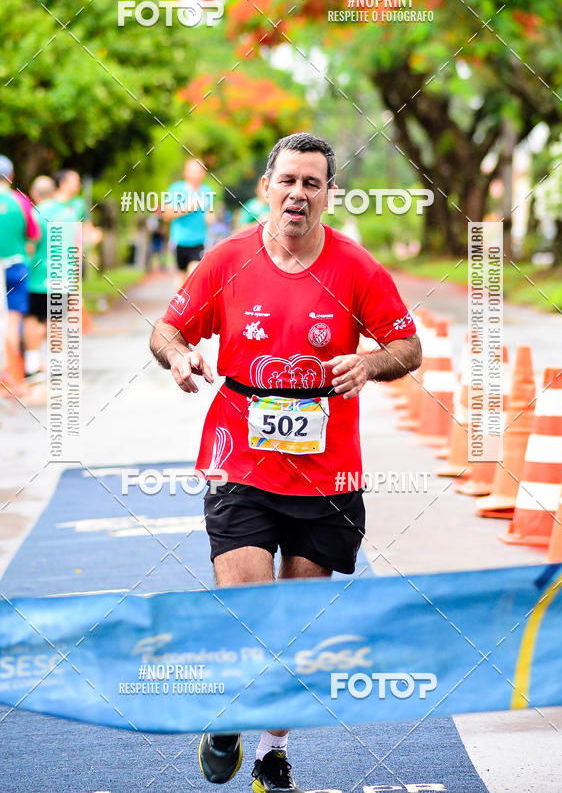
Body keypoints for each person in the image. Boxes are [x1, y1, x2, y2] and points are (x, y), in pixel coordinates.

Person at [149, 132, 421, 793]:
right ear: (266, 187)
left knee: (296, 626)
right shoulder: (228, 259)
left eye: (313, 182)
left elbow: (407, 346)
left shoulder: (356, 267)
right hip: (240, 460)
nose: (299, 193)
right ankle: (231, 711)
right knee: (247, 611)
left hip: (327, 476)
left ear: (329, 194)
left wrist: (369, 360)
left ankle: (272, 752)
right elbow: (166, 329)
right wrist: (180, 357)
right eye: (288, 180)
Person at [0, 154, 40, 363]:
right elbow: (34, 235)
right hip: (15, 267)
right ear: (10, 177)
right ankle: (11, 377)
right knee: (12, 323)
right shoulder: (20, 201)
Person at [23, 175, 74, 379]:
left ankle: (32, 363)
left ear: (34, 194)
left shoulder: (34, 214)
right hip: (62, 277)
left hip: (38, 278)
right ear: (54, 192)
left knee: (33, 319)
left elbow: (30, 246)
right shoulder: (68, 215)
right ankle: (57, 363)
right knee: (55, 320)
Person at [163, 158, 215, 283]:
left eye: (199, 171)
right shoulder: (175, 189)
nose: (196, 174)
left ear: (203, 173)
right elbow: (166, 214)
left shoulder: (207, 191)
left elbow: (209, 214)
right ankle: (181, 302)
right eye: (193, 171)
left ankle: (193, 302)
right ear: (185, 173)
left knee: (194, 274)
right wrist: (189, 207)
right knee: (181, 281)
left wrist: (210, 218)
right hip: (179, 241)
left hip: (199, 241)